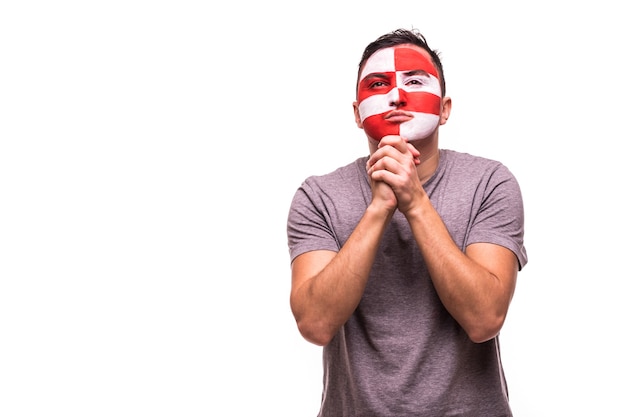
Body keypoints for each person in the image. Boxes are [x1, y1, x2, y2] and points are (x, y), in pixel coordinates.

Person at [286, 28, 528, 416]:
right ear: (356, 112)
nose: (396, 94)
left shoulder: (490, 183)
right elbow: (315, 324)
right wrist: (379, 207)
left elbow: (485, 318)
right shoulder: (319, 196)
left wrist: (414, 201)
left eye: (415, 80)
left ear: (445, 108)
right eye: (379, 83)